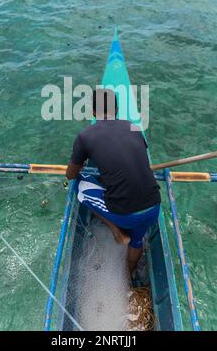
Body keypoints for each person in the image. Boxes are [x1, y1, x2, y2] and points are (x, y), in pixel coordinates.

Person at [66, 88, 161, 275]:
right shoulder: (135, 128)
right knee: (137, 241)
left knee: (81, 186)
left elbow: (70, 174)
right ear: (117, 110)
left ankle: (117, 232)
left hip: (124, 214)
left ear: (93, 112)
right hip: (153, 208)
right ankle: (128, 277)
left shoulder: (85, 136)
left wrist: (82, 161)